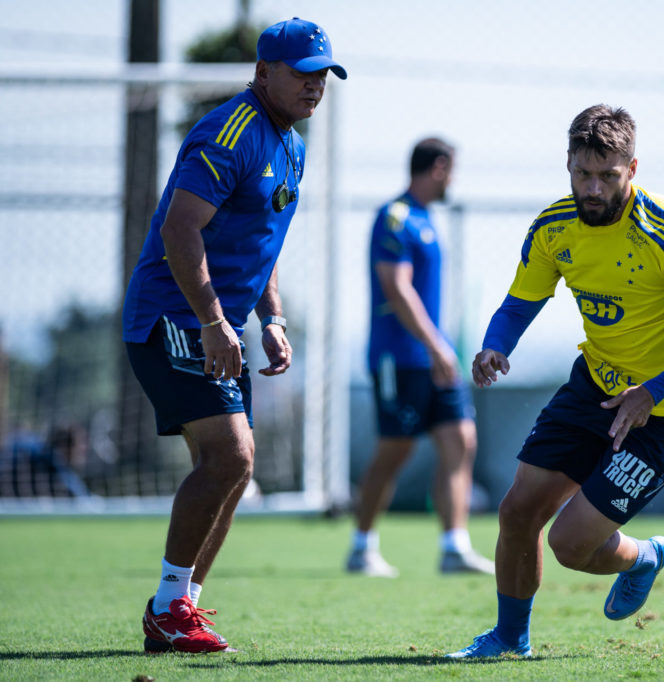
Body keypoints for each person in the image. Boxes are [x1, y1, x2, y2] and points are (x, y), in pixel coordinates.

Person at [447, 104, 664, 658]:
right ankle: (509, 640)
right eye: (583, 173)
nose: (594, 188)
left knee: (570, 545)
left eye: (609, 176)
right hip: (595, 386)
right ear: (568, 164)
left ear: (633, 168)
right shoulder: (554, 227)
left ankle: (644, 555)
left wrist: (650, 391)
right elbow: (520, 302)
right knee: (517, 511)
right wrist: (495, 345)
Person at [121, 17, 346, 653]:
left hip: (218, 322)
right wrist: (217, 322)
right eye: (301, 74)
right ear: (262, 72)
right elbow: (180, 231)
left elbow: (261, 241)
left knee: (230, 469)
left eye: (322, 75)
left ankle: (177, 608)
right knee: (234, 457)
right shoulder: (230, 132)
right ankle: (169, 606)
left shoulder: (291, 141)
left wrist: (270, 318)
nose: (313, 87)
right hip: (173, 317)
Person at [346, 138, 494, 578]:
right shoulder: (394, 217)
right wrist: (436, 345)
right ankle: (361, 546)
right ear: (440, 167)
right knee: (395, 449)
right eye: (454, 170)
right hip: (401, 358)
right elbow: (397, 287)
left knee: (461, 441)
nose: (455, 179)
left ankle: (454, 547)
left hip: (435, 359)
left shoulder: (427, 218)